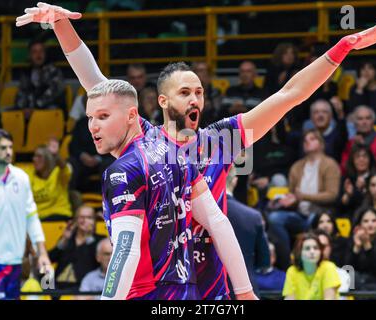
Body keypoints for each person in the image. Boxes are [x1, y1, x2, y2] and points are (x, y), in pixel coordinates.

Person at [17, 3, 376, 299]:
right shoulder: (146, 142)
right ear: (163, 100)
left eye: (200, 90)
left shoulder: (220, 140)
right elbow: (95, 82)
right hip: (159, 274)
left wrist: (342, 48)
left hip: (212, 272)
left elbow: (289, 96)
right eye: (186, 91)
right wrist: (60, 23)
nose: (196, 96)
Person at [86, 79, 256, 300]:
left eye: (103, 116)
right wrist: (245, 291)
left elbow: (126, 250)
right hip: (185, 293)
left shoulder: (123, 170)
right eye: (90, 117)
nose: (93, 126)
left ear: (131, 116)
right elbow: (218, 221)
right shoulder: (173, 153)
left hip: (146, 294)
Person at [0, 129, 51, 300]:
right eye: (2, 148)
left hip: (15, 260)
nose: (8, 151)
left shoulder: (21, 178)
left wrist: (42, 253)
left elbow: (31, 217)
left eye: (10, 147)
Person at [267, 129, 341, 270]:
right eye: (305, 140)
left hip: (321, 214)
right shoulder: (297, 167)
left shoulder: (330, 165)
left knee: (314, 219)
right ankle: (287, 261)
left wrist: (303, 196)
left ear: (321, 143)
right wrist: (288, 200)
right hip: (300, 215)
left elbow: (332, 195)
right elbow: (294, 195)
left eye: (312, 139)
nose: (308, 142)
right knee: (275, 218)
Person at [226, 165, 270, 296]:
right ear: (234, 180)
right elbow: (264, 261)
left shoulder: (196, 215)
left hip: (206, 291)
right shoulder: (252, 216)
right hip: (244, 291)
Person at [49, 205, 103, 290]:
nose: (85, 221)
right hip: (58, 288)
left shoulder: (100, 241)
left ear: (95, 221)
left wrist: (88, 236)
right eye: (81, 217)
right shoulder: (68, 239)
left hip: (83, 289)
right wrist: (64, 239)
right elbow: (50, 259)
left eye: (89, 217)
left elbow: (97, 262)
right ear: (76, 220)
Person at [15, 39, 65, 119]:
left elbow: (53, 93)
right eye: (34, 52)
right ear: (30, 55)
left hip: (49, 109)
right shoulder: (26, 73)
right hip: (29, 110)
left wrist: (34, 107)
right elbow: (22, 93)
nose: (38, 55)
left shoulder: (53, 71)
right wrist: (22, 108)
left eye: (41, 51)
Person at [283, 233, 341, 300]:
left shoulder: (328, 267)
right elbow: (289, 298)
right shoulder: (292, 271)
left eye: (316, 248)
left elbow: (329, 298)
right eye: (307, 248)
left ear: (320, 252)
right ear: (299, 252)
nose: (312, 252)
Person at [28, 139, 73, 221]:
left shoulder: (59, 173)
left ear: (48, 159)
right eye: (34, 156)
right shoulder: (29, 174)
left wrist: (56, 155)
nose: (34, 159)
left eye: (39, 156)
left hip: (59, 216)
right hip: (38, 219)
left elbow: (64, 167)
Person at [341, 106, 376, 173]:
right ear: (355, 123)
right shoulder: (351, 142)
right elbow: (343, 168)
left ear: (373, 122)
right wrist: (353, 148)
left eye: (368, 118)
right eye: (360, 119)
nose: (364, 122)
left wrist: (364, 147)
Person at [338, 144, 376, 218]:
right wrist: (348, 195)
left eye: (365, 156)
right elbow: (340, 207)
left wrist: (363, 189)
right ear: (352, 160)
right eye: (357, 157)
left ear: (370, 159)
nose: (361, 159)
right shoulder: (347, 179)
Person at [315, 230, 351, 297]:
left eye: (324, 246)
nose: (321, 250)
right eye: (317, 246)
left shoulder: (342, 275)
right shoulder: (297, 273)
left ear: (330, 248)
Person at [191, 61, 221, 127]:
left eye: (204, 71)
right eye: (199, 71)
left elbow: (217, 113)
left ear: (209, 75)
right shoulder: (189, 93)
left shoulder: (215, 92)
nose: (202, 74)